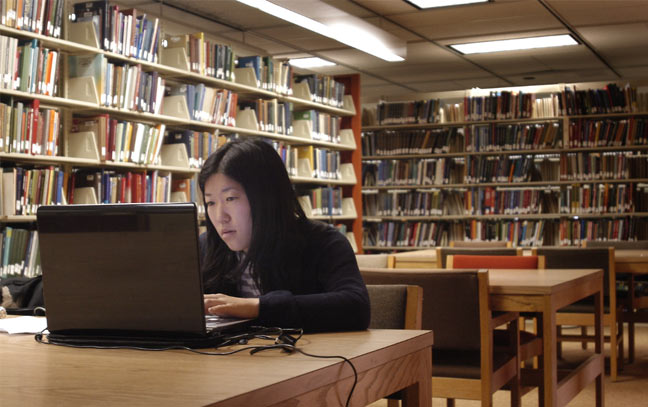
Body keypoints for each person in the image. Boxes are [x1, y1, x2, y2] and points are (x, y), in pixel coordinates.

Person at [198, 138, 370, 332]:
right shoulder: (206, 247)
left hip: (304, 359)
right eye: (211, 203)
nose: (220, 217)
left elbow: (356, 308)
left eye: (230, 198)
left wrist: (257, 308)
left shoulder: (323, 242)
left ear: (265, 198)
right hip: (229, 359)